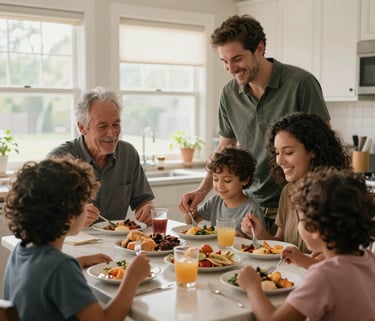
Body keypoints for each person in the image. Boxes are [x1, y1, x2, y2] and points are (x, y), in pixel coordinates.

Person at [179, 14, 330, 233]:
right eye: (224, 61)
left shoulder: (300, 83)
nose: (230, 68)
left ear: (260, 48)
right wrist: (203, 191)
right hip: (248, 209)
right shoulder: (229, 93)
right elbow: (225, 147)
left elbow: (324, 147)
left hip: (294, 208)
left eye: (237, 59)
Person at [3, 157, 151, 321]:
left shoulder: (21, 251)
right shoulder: (61, 268)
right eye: (83, 204)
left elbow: (47, 274)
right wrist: (132, 278)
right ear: (69, 216)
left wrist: (79, 261)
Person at [237, 168, 375, 321]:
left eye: (301, 220)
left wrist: (252, 286)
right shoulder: (369, 259)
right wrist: (305, 261)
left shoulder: (323, 277)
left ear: (316, 229)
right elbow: (343, 277)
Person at [241, 113, 351, 257]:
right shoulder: (288, 191)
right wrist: (260, 234)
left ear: (313, 151)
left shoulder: (335, 195)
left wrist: (332, 255)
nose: (279, 160)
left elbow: (350, 254)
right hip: (289, 275)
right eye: (277, 152)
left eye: (288, 152)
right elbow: (281, 243)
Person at [48, 87, 154, 226]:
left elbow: (143, 200)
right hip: (72, 242)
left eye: (116, 124)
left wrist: (147, 209)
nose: (111, 133)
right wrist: (72, 217)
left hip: (114, 244)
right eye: (102, 126)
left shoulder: (128, 154)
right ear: (82, 128)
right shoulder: (60, 159)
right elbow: (44, 214)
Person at [183, 147, 265, 236]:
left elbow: (261, 244)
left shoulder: (252, 210)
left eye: (227, 180)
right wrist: (190, 210)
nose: (220, 186)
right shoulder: (215, 201)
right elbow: (191, 221)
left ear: (244, 180)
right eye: (215, 179)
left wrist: (242, 239)